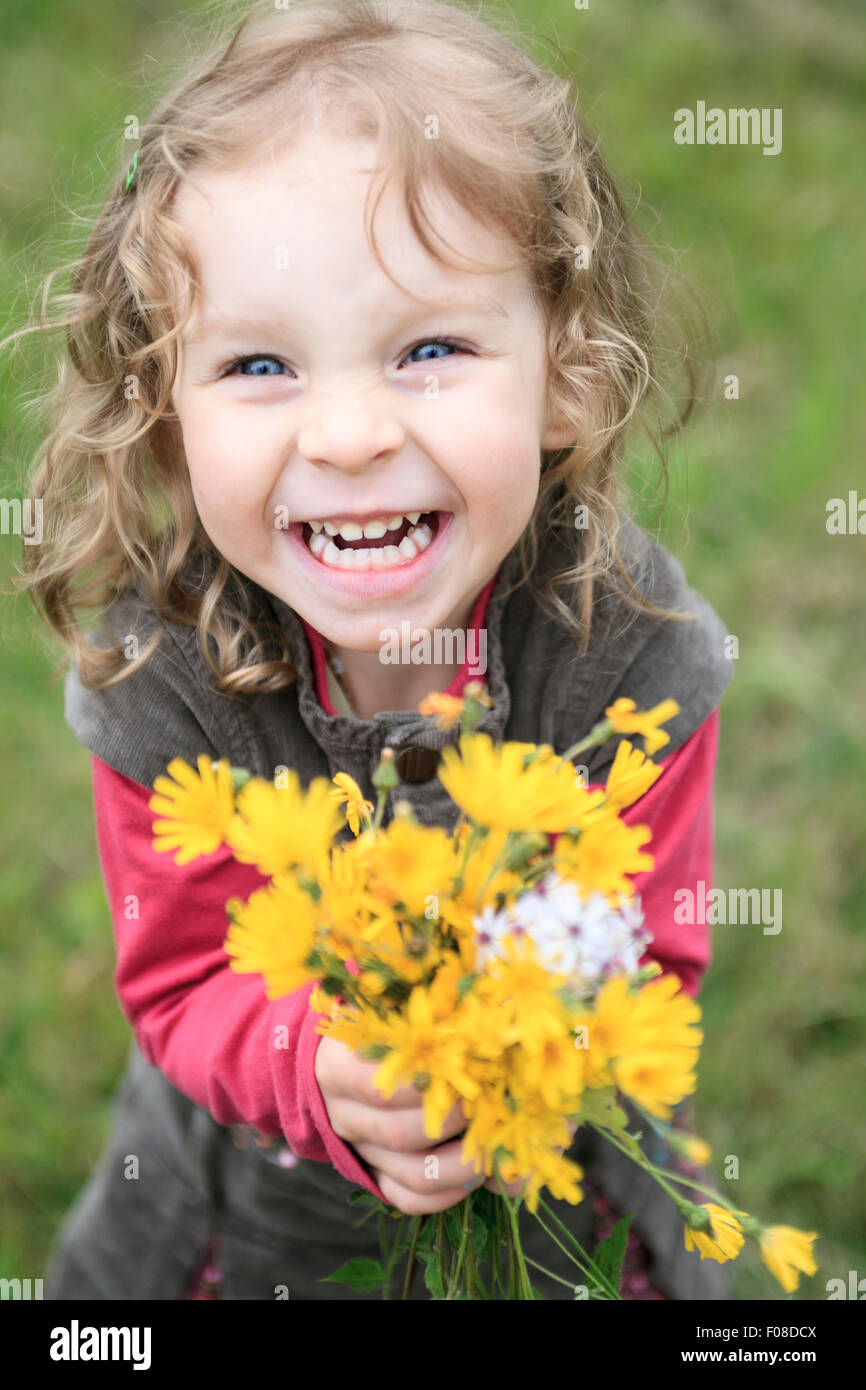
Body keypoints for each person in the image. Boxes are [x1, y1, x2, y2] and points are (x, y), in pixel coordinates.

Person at [13, 0, 734, 1299]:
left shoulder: (632, 647)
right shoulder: (161, 673)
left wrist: (522, 1059)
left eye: (431, 348)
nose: (347, 434)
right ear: (163, 413)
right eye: (260, 366)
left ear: (563, 373)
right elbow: (181, 979)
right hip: (261, 1222)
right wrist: (320, 1064)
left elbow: (658, 960)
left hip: (550, 1199)